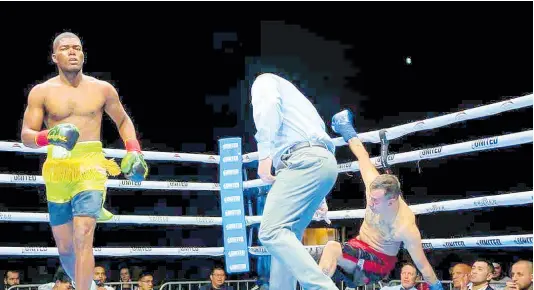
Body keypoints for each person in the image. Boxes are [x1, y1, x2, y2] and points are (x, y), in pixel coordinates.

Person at [20, 32, 148, 290]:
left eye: (77, 48)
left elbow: (123, 120)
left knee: (83, 234)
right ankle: (87, 284)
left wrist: (133, 149)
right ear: (54, 57)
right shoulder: (42, 92)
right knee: (66, 248)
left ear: (83, 55)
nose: (72, 52)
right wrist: (49, 136)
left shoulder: (102, 89)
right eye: (65, 48)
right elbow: (27, 135)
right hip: (58, 169)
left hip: (90, 166)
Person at [318, 109, 443, 290]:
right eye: (371, 197)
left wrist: (437, 287)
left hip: (378, 264)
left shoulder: (404, 225)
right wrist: (347, 130)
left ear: (391, 201)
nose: (370, 203)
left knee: (331, 248)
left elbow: (422, 265)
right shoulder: (374, 188)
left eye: (376, 201)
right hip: (357, 248)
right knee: (312, 258)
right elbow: (362, 156)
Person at [250, 73, 339, 290]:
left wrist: (265, 155)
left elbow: (269, 105)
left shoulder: (263, 81)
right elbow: (317, 142)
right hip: (321, 164)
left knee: (271, 231)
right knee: (285, 239)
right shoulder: (302, 105)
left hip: (303, 162)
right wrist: (320, 196)